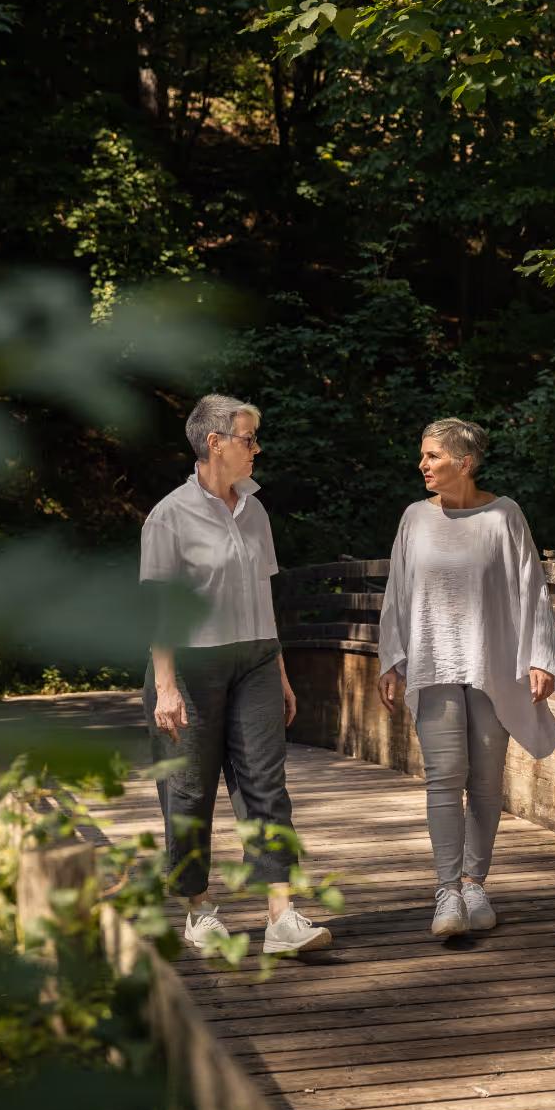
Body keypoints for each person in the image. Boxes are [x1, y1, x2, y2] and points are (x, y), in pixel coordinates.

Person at [140, 393, 331, 954]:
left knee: (267, 785)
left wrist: (283, 670)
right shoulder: (168, 515)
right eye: (249, 438)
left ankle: (281, 916)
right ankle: (198, 911)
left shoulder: (255, 509)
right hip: (190, 667)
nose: (257, 449)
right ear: (215, 442)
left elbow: (263, 597)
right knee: (188, 789)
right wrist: (167, 685)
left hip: (255, 663)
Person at [377, 417, 555, 937]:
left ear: (465, 462)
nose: (423, 465)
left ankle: (474, 882)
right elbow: (397, 589)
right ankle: (446, 893)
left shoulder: (504, 515)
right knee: (445, 774)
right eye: (423, 455)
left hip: (493, 664)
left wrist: (542, 656)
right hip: (432, 662)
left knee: (485, 779)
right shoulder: (415, 518)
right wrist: (389, 658)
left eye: (432, 456)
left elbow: (532, 586)